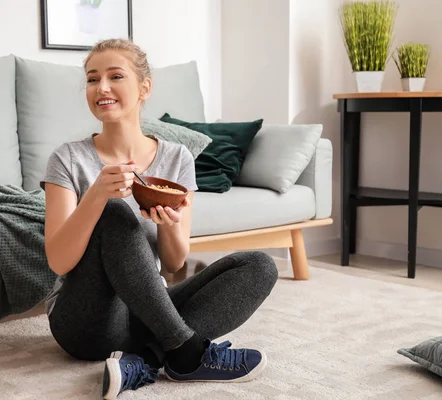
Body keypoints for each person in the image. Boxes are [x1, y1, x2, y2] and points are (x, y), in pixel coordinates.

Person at [40, 38, 278, 399]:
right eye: (92, 79)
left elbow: (174, 264)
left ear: (144, 88)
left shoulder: (176, 158)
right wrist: (97, 195)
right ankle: (186, 352)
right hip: (85, 323)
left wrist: (167, 223)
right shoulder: (67, 159)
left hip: (148, 313)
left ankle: (148, 358)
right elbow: (58, 260)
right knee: (116, 211)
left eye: (115, 76)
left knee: (260, 265)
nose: (101, 87)